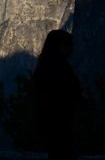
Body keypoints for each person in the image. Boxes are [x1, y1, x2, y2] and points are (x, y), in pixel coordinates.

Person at [31, 29, 81, 160]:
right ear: (58, 46)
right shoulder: (56, 68)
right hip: (58, 128)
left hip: (56, 128)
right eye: (68, 44)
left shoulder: (48, 66)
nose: (72, 48)